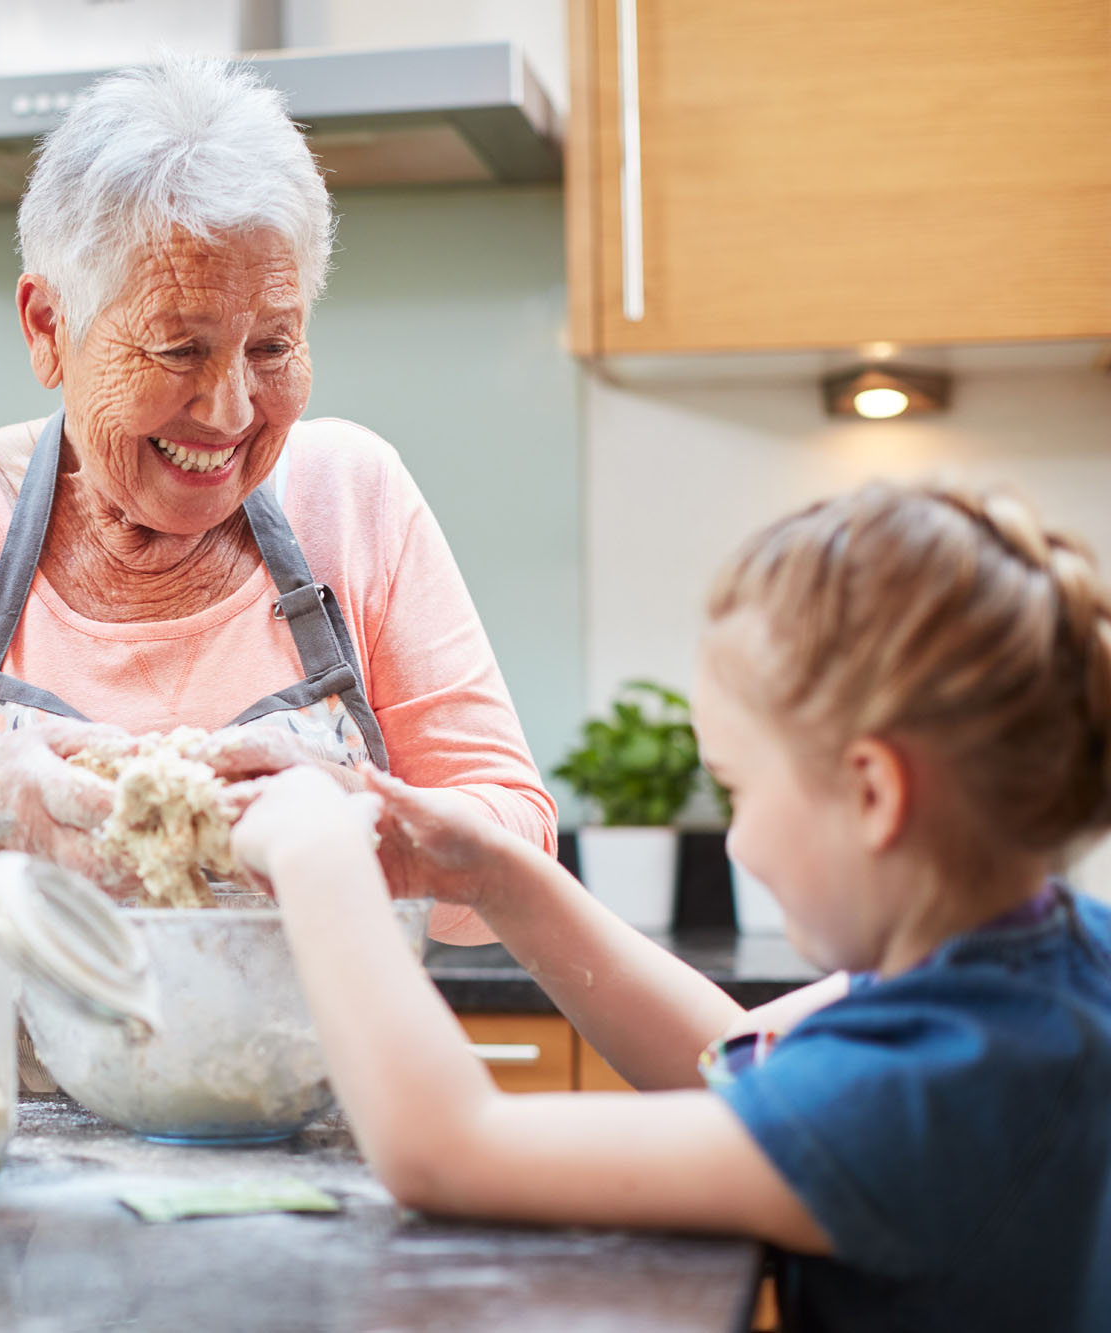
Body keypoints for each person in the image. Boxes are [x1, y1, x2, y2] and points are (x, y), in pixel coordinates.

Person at [0, 55, 555, 955]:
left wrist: (356, 817)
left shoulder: (355, 496)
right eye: (180, 349)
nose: (231, 411)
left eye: (272, 345)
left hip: (309, 1098)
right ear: (48, 329)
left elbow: (518, 839)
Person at [231, 480, 1111, 1332]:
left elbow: (448, 1148)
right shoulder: (1043, 971)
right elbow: (727, 1058)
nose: (738, 842)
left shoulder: (924, 1091)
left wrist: (317, 855)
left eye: (736, 790)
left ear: (874, 793)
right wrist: (503, 878)